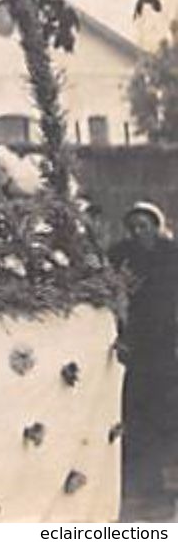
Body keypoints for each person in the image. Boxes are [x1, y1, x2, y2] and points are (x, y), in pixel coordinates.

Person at [109, 201, 178, 518]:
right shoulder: (122, 256)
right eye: (133, 227)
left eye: (144, 226)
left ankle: (166, 481)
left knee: (165, 410)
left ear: (156, 226)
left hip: (167, 343)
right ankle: (140, 480)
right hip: (138, 343)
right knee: (136, 408)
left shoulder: (171, 255)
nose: (138, 233)